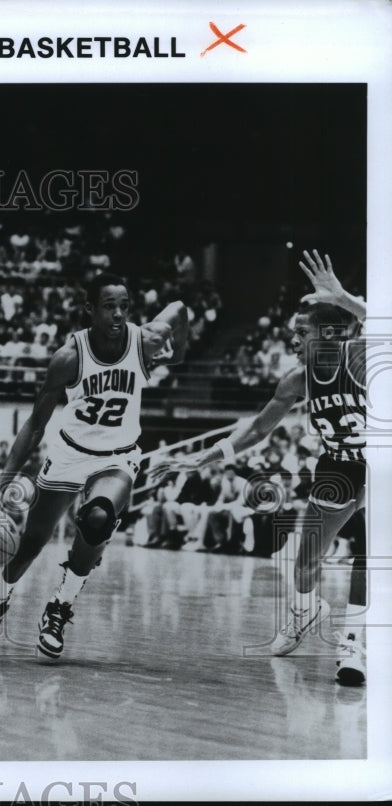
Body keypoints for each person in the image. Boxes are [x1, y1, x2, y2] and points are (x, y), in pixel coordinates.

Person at [150, 250, 367, 685]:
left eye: (299, 332)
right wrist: (204, 456)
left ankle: (354, 644)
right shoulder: (297, 379)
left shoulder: (359, 358)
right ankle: (305, 613)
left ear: (325, 333)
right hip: (339, 465)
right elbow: (256, 430)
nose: (291, 339)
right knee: (304, 562)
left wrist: (344, 297)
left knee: (369, 553)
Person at [0, 271, 188, 659]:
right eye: (109, 306)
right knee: (31, 544)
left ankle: (59, 607)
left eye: (125, 306)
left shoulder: (145, 341)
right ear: (90, 310)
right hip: (70, 453)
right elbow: (36, 424)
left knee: (99, 518)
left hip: (119, 457)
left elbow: (180, 309)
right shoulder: (69, 358)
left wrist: (179, 348)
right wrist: (5, 477)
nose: (119, 314)